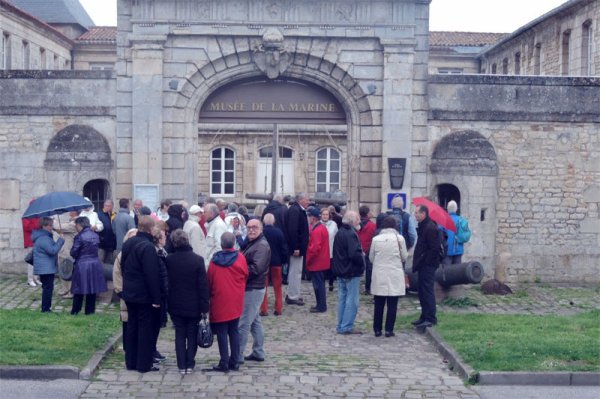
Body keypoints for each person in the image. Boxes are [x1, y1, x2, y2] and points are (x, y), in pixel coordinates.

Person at [165, 229, 210, 375]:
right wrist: (205, 307)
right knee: (191, 334)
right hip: (194, 304)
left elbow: (167, 283)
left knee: (179, 334)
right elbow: (203, 286)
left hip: (175, 303)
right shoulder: (197, 260)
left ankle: (181, 365)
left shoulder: (169, 260)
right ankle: (190, 363)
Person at [121, 216, 162, 373]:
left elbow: (123, 265)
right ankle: (143, 364)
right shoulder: (147, 246)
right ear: (151, 229)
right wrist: (156, 298)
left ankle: (131, 361)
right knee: (144, 329)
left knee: (132, 326)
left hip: (130, 291)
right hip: (143, 293)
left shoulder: (128, 243)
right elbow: (151, 274)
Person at [207, 232, 248, 372]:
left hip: (219, 299)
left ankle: (224, 361)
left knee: (222, 333)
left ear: (221, 244)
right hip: (235, 298)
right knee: (234, 330)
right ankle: (234, 360)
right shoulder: (241, 258)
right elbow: (245, 274)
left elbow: (209, 281)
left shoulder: (214, 261)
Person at [369, 216, 408, 337]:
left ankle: (377, 329)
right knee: (392, 303)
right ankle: (389, 329)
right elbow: (404, 256)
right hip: (394, 273)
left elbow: (371, 257)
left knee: (379, 303)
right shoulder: (399, 239)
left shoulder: (376, 239)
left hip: (379, 273)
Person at [239, 219, 270, 364]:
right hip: (251, 286)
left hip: (253, 287)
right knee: (255, 322)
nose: (251, 230)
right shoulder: (253, 243)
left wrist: (238, 271)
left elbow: (257, 269)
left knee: (244, 323)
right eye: (249, 227)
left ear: (261, 229)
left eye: (254, 227)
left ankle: (237, 355)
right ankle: (258, 351)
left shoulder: (262, 246)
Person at [332, 211, 364, 335]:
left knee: (343, 299)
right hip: (350, 271)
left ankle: (341, 324)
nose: (359, 221)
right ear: (352, 221)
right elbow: (353, 253)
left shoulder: (340, 232)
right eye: (357, 219)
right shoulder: (350, 234)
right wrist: (362, 263)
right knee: (352, 300)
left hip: (341, 270)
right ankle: (346, 326)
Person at [70, 216, 108, 315]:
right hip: (95, 263)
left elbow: (74, 252)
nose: (75, 227)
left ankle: (75, 311)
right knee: (92, 288)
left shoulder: (79, 236)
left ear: (80, 225)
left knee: (79, 288)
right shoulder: (95, 235)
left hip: (82, 264)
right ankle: (90, 311)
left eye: (76, 225)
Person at [412, 205, 442, 328]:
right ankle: (424, 316)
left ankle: (430, 318)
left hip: (427, 265)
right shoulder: (424, 226)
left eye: (417, 213)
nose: (415, 215)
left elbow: (434, 248)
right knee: (422, 291)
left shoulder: (430, 227)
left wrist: (425, 261)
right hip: (422, 264)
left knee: (427, 291)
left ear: (424, 213)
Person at [32, 217, 65, 312]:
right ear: (44, 226)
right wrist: (61, 240)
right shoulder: (43, 238)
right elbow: (52, 250)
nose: (52, 227)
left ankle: (46, 308)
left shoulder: (44, 236)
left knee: (47, 288)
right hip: (45, 268)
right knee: (48, 289)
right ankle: (46, 309)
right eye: (50, 225)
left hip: (46, 267)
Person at [113, 228, 137, 352]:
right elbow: (116, 274)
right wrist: (120, 291)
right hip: (126, 293)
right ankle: (128, 347)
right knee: (127, 320)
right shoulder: (121, 256)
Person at [260, 213, 288, 316]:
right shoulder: (279, 232)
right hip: (277, 262)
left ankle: (263, 309)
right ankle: (278, 308)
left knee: (263, 286)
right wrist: (284, 261)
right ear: (274, 221)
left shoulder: (261, 233)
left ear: (264, 221)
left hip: (264, 263)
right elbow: (284, 249)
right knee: (278, 287)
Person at [285, 192, 310, 306]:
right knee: (295, 272)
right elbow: (293, 230)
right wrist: (295, 247)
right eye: (307, 200)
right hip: (296, 248)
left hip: (299, 247)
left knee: (296, 271)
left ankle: (294, 293)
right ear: (301, 200)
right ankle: (292, 295)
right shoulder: (295, 210)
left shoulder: (297, 209)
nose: (308, 202)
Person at [305, 207, 330, 313]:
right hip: (322, 261)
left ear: (313, 218)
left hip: (317, 262)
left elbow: (314, 248)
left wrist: (308, 260)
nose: (308, 218)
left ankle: (321, 306)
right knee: (320, 285)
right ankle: (321, 305)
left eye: (309, 216)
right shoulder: (322, 228)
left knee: (318, 285)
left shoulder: (316, 230)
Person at [53, 211, 78, 298]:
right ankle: (65, 289)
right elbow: (59, 228)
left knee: (68, 271)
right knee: (62, 271)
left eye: (71, 211)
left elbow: (58, 226)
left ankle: (71, 291)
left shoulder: (74, 223)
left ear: (75, 213)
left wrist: (53, 220)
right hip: (63, 250)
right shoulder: (70, 222)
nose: (69, 212)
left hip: (68, 251)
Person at [443, 200, 469, 265]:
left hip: (447, 250)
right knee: (457, 272)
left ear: (447, 209)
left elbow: (439, 235)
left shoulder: (443, 220)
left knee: (447, 272)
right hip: (458, 249)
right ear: (456, 209)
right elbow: (467, 234)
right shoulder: (462, 220)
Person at [23, 199, 42, 287]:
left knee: (37, 261)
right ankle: (30, 279)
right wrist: (38, 225)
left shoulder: (38, 215)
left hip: (38, 240)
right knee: (31, 261)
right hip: (31, 241)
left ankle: (36, 278)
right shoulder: (26, 215)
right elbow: (28, 228)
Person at [357, 205, 376, 295]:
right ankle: (368, 288)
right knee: (369, 270)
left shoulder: (356, 224)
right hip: (368, 249)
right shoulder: (372, 225)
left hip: (358, 249)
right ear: (367, 214)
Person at [321, 207, 338, 292]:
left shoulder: (333, 224)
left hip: (331, 249)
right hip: (321, 251)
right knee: (322, 269)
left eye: (326, 214)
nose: (325, 216)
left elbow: (336, 235)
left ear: (329, 215)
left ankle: (331, 283)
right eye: (323, 214)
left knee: (331, 269)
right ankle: (322, 283)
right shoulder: (318, 224)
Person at [98, 199, 117, 264]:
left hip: (111, 244)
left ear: (112, 206)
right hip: (102, 244)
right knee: (100, 262)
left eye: (109, 206)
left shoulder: (114, 215)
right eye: (106, 205)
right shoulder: (99, 215)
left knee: (109, 263)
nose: (107, 207)